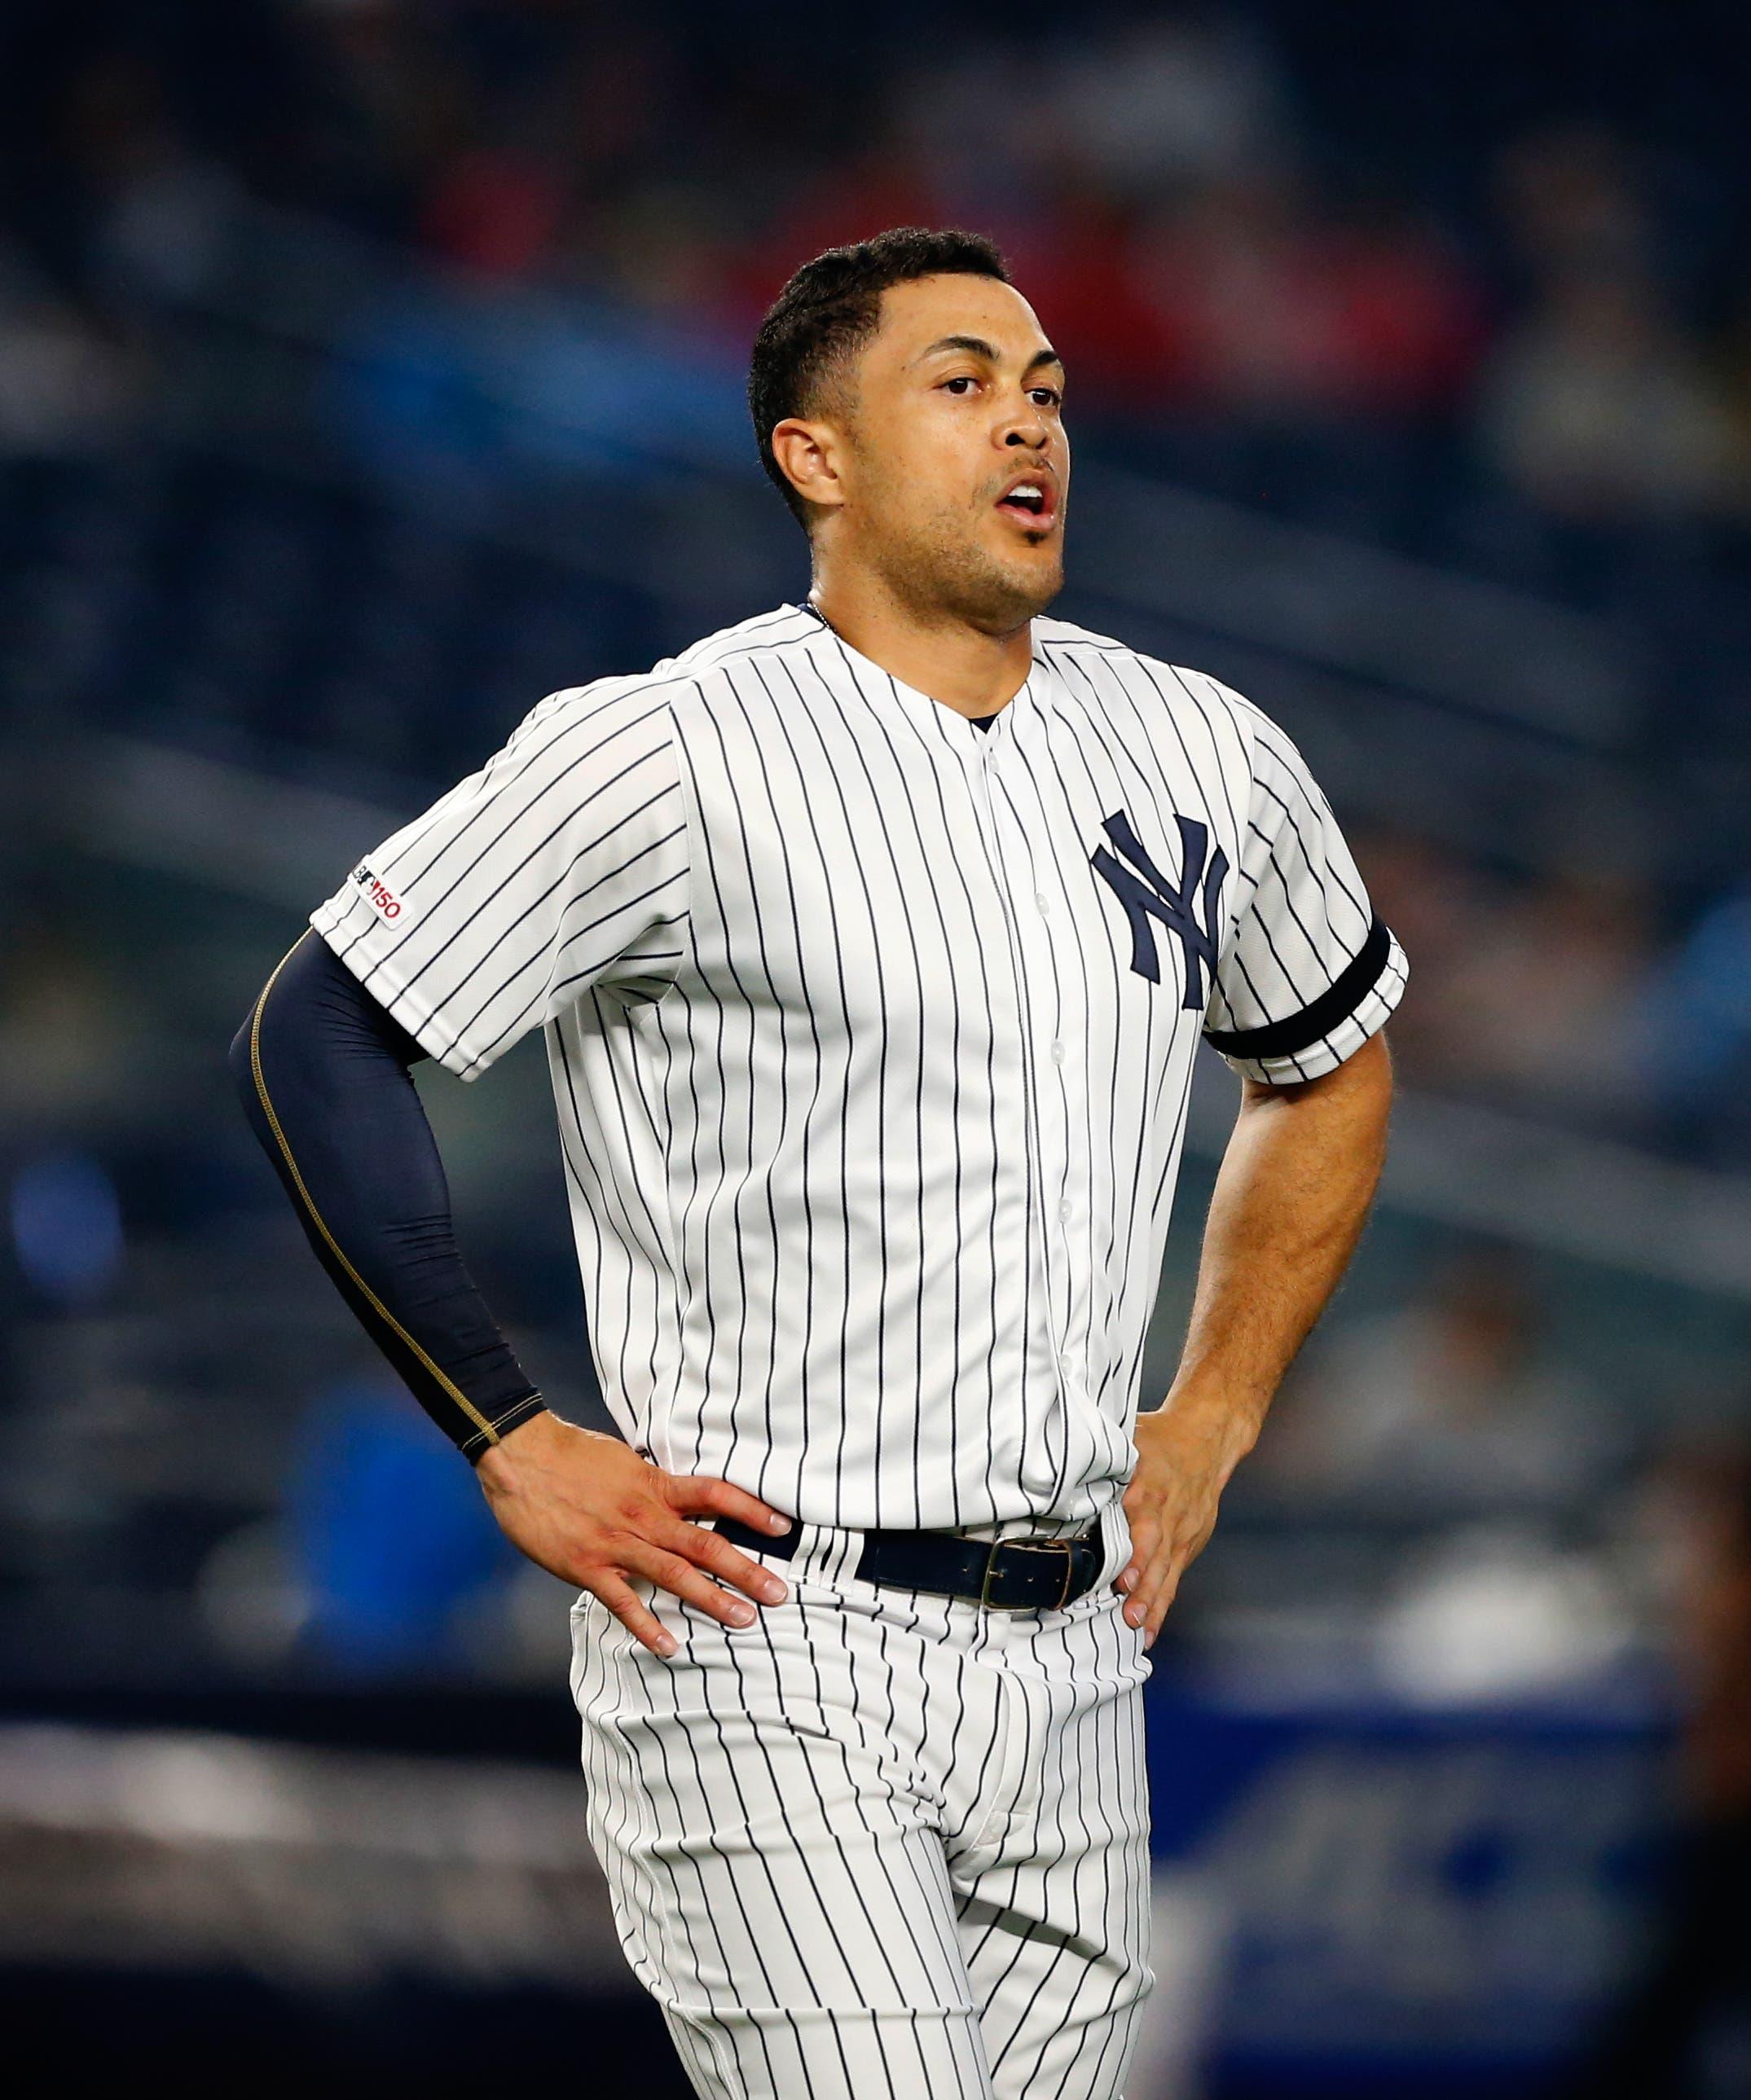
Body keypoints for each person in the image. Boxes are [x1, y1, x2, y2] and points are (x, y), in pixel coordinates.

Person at [231, 226, 1404, 2099]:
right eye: (958, 382)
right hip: (770, 1634)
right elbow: (317, 1027)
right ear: (815, 453)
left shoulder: (1204, 749)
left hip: (1072, 1649)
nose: (1025, 423)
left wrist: (1212, 1416)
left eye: (1044, 389)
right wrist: (509, 1432)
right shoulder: (664, 751)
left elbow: (1326, 1066)